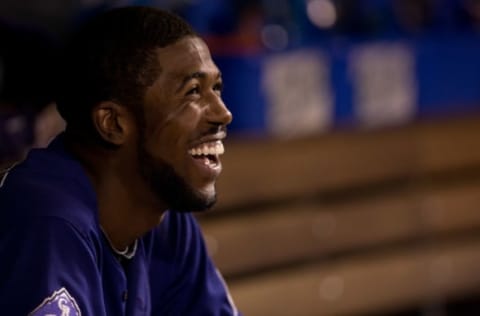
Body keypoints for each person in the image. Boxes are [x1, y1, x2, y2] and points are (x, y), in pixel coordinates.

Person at [0, 6, 239, 316]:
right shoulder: (48, 222)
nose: (223, 113)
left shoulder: (164, 216)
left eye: (216, 88)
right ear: (113, 124)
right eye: (193, 92)